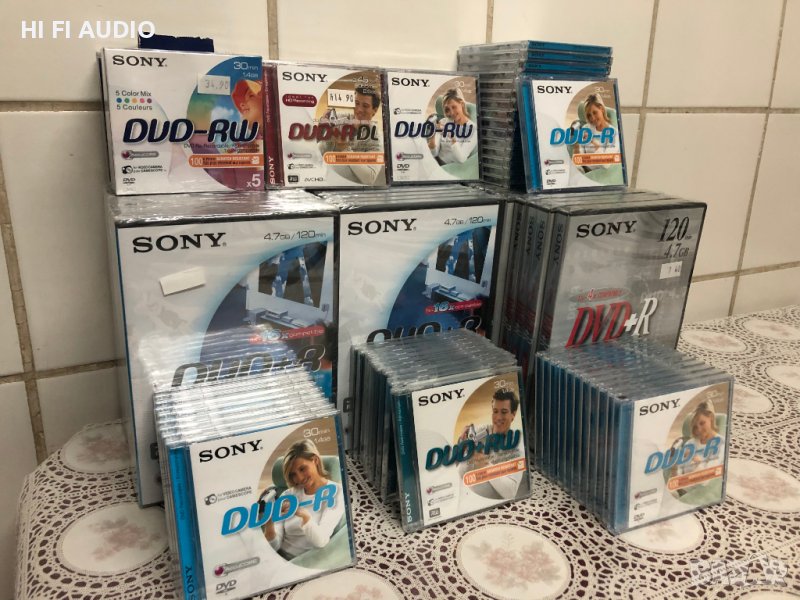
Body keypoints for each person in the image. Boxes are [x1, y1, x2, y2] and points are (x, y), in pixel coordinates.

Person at [263, 439, 344, 560]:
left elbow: (321, 541)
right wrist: (269, 522)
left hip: (301, 562)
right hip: (276, 558)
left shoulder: (336, 492)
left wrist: (304, 515)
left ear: (315, 460)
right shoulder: (288, 494)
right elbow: (274, 546)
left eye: (302, 469)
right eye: (293, 474)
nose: (299, 478)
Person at [458, 387, 525, 500]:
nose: (498, 417)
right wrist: (461, 442)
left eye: (504, 412)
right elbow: (460, 466)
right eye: (495, 411)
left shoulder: (517, 443)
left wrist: (485, 466)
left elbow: (510, 493)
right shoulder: (480, 431)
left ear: (513, 415)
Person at [318, 85, 385, 185]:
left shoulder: (376, 139)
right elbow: (317, 153)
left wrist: (345, 149)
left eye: (365, 106)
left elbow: (369, 178)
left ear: (374, 110)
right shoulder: (339, 118)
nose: (359, 109)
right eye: (356, 103)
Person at [427, 87, 478, 165]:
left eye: (454, 107)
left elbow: (461, 159)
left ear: (461, 104)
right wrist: (432, 135)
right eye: (447, 109)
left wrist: (450, 135)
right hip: (435, 162)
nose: (451, 113)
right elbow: (434, 153)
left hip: (450, 168)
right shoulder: (443, 122)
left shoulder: (473, 130)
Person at [678, 402, 724, 476]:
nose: (699, 430)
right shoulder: (690, 443)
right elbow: (679, 470)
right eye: (695, 427)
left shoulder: (721, 443)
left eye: (702, 423)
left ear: (711, 418)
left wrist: (697, 461)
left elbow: (708, 474)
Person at [572, 92, 618, 162]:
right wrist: (576, 144)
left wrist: (592, 141)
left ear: (601, 109)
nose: (592, 118)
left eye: (594, 112)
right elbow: (578, 160)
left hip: (598, 169)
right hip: (583, 167)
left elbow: (606, 163)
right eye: (589, 115)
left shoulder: (614, 133)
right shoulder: (586, 128)